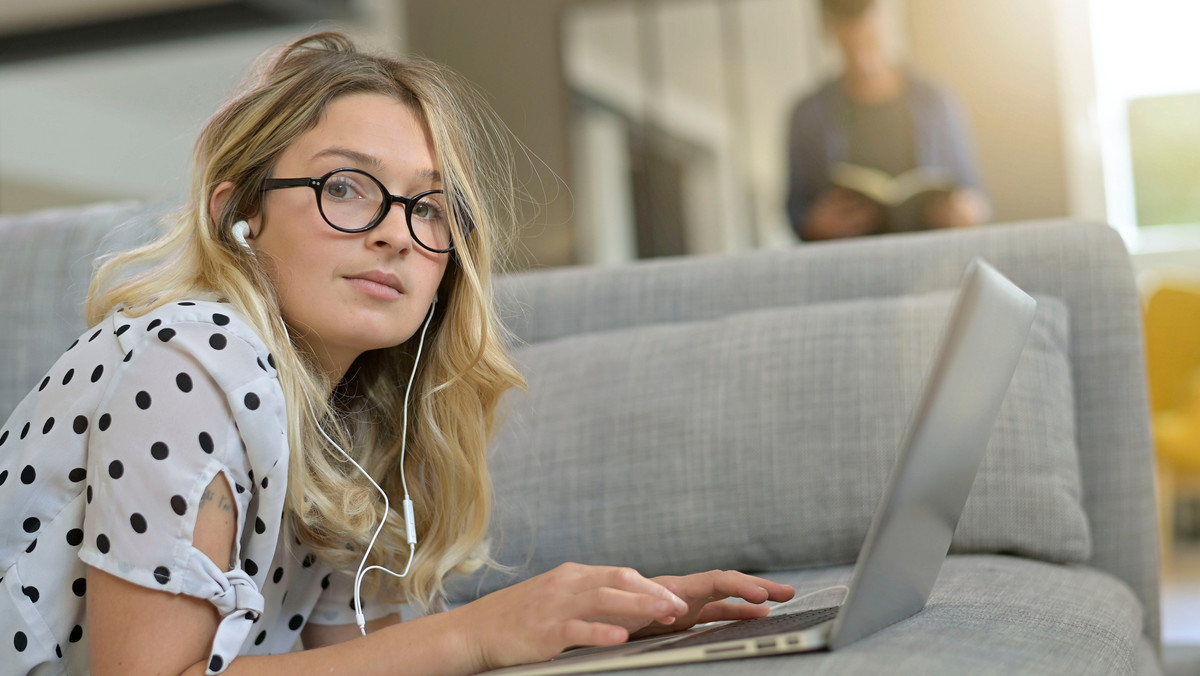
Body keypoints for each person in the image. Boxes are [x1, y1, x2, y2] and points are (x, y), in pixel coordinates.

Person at [0, 32, 794, 675]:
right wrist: (482, 632)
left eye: (430, 206)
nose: (394, 231)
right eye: (345, 186)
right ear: (239, 213)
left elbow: (366, 667)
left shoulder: (349, 411)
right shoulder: (189, 360)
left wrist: (612, 624)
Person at [786, 0, 991, 241]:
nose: (862, 61)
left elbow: (976, 198)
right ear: (828, 29)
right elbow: (795, 210)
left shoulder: (937, 101)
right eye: (850, 47)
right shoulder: (808, 114)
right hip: (850, 262)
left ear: (886, 18)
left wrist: (967, 212)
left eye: (869, 42)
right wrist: (815, 225)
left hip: (934, 260)